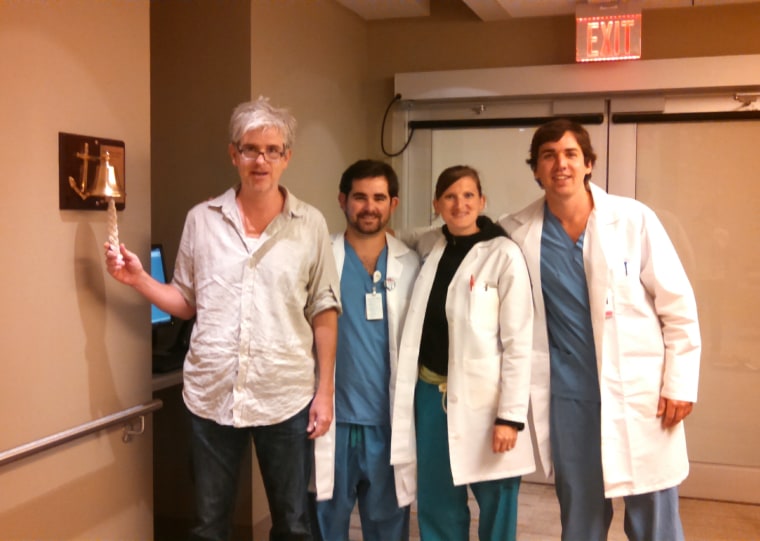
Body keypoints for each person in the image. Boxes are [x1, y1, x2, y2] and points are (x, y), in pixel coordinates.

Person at [104, 97, 341, 541]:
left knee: (293, 524)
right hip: (212, 394)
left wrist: (324, 392)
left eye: (273, 150)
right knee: (209, 526)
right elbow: (186, 301)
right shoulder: (202, 220)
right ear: (233, 154)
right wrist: (137, 280)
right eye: (251, 149)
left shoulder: (309, 225)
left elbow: (324, 310)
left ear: (287, 157)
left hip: (284, 395)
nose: (261, 160)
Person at [499, 118, 701, 541]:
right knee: (581, 513)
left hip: (642, 393)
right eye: (548, 156)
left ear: (589, 163)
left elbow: (677, 306)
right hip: (570, 398)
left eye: (571, 154)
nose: (561, 165)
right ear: (535, 168)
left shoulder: (632, 219)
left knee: (654, 514)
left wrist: (679, 382)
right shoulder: (516, 233)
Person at [390, 165, 535, 541]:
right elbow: (394, 237)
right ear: (437, 204)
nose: (460, 204)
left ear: (482, 201)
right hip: (430, 394)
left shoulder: (503, 254)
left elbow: (519, 342)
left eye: (468, 195)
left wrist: (511, 417)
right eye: (450, 197)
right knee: (437, 499)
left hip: (486, 402)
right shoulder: (431, 244)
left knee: (497, 496)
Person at [313, 159, 419, 541]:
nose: (369, 206)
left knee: (389, 529)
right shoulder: (320, 256)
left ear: (394, 203)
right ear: (342, 200)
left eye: (378, 197)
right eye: (359, 197)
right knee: (326, 527)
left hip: (387, 424)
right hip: (332, 421)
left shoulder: (412, 262)